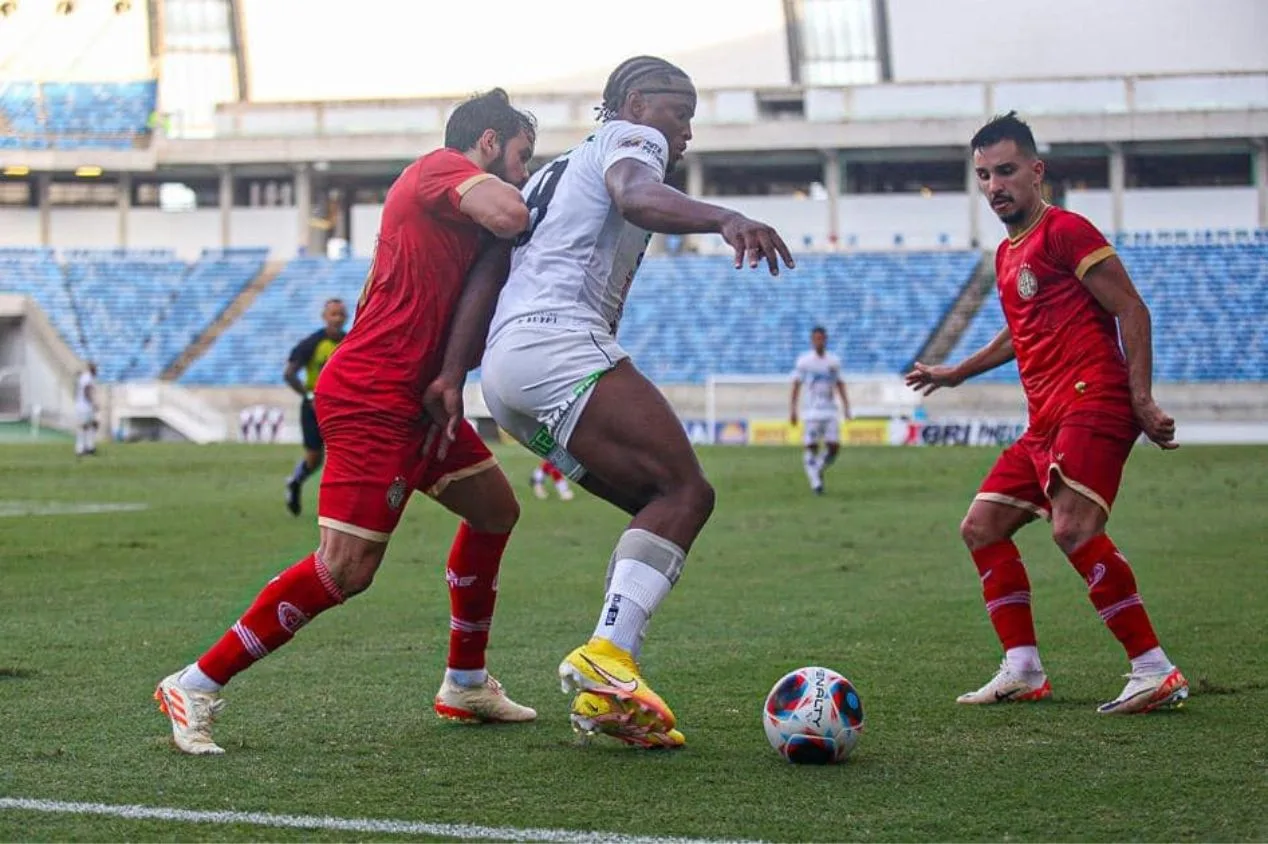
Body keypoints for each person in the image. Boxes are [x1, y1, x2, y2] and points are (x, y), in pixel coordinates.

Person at [422, 56, 794, 748]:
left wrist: (453, 374)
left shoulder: (548, 173)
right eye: (678, 112)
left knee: (654, 513)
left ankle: (607, 690)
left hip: (507, 378)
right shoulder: (632, 141)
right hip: (560, 341)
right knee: (685, 492)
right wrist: (726, 216)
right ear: (633, 101)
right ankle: (608, 660)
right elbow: (633, 195)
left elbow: (489, 269)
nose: (683, 132)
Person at [155, 88, 539, 755]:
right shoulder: (439, 169)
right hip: (372, 396)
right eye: (522, 156)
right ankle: (195, 683)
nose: (525, 173)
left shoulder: (459, 213)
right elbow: (511, 212)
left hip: (416, 399)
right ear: (486, 144)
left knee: (494, 511)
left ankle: (465, 682)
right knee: (345, 569)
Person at [905, 111, 1187, 714]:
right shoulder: (1009, 256)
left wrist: (1141, 399)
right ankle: (1024, 669)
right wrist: (955, 372)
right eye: (983, 174)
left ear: (1036, 171)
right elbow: (1018, 332)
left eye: (1006, 171)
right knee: (980, 528)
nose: (994, 185)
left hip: (1095, 400)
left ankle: (1153, 668)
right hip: (1046, 420)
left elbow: (1132, 310)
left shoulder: (1066, 231)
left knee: (1073, 527)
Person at [283, 299, 348, 515]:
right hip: (314, 407)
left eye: (341, 314)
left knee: (346, 455)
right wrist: (309, 395)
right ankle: (295, 481)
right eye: (333, 314)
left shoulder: (351, 342)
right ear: (325, 317)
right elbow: (289, 373)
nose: (337, 319)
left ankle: (341, 507)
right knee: (314, 458)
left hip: (343, 407)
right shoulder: (313, 343)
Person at [790, 326, 851, 494]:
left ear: (825, 339)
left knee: (834, 447)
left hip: (830, 411)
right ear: (812, 340)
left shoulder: (833, 361)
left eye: (821, 338)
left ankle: (816, 469)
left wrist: (846, 406)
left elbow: (839, 383)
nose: (819, 341)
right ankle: (816, 482)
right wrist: (793, 409)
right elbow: (796, 384)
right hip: (811, 412)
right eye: (816, 338)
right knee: (811, 446)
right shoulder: (804, 362)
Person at [74, 361, 98, 456]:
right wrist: (92, 403)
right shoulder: (87, 378)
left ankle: (88, 447)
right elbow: (86, 392)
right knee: (85, 427)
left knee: (91, 425)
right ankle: (81, 448)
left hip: (82, 405)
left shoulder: (85, 377)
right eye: (95, 368)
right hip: (84, 406)